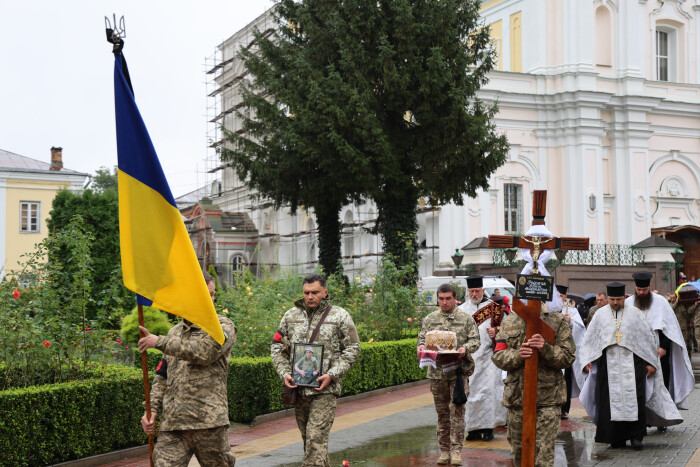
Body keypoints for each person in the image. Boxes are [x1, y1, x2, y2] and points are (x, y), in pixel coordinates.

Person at [138, 272, 237, 467]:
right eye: (204, 295)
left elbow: (205, 352)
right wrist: (152, 411)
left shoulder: (223, 326)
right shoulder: (174, 332)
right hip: (173, 424)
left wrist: (159, 342)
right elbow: (162, 376)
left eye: (212, 294)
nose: (210, 300)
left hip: (208, 424)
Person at [271, 273, 361, 467]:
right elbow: (276, 346)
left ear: (325, 292)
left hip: (325, 390)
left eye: (315, 292)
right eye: (306, 293)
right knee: (310, 443)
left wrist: (333, 374)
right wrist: (285, 372)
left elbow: (353, 348)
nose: (310, 297)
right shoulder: (290, 316)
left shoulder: (340, 316)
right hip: (299, 389)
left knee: (315, 440)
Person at [579, 282, 682, 451]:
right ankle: (615, 437)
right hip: (607, 363)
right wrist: (587, 360)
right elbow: (590, 339)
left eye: (618, 299)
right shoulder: (600, 315)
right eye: (612, 299)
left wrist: (651, 363)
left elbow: (647, 339)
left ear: (623, 298)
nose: (615, 303)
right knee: (608, 401)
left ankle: (636, 437)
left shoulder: (634, 313)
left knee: (636, 398)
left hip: (634, 363)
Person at [491, 298, 576, 466]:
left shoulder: (557, 320)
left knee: (543, 453)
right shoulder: (509, 322)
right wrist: (517, 355)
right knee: (519, 452)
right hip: (518, 398)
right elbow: (498, 356)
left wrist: (546, 349)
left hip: (548, 398)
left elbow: (568, 357)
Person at [417, 283, 480, 465]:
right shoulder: (430, 319)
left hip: (458, 373)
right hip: (437, 374)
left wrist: (464, 348)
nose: (444, 302)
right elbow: (421, 339)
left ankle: (456, 451)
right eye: (441, 299)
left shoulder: (465, 318)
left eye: (448, 299)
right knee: (442, 414)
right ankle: (444, 451)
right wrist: (421, 347)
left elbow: (475, 340)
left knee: (457, 412)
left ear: (455, 298)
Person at [626, 272, 694, 417]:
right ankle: (643, 418)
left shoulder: (661, 302)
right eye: (639, 290)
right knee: (639, 385)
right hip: (636, 351)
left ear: (650, 287)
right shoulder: (629, 303)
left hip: (659, 350)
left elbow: (670, 328)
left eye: (644, 290)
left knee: (661, 385)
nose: (642, 293)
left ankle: (662, 418)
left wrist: (664, 347)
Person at [458, 275, 508, 442]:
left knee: (489, 394)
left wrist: (497, 333)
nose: (474, 294)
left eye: (477, 291)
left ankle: (488, 429)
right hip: (469, 359)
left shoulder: (494, 309)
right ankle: (472, 430)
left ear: (483, 291)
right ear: (467, 292)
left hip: (488, 359)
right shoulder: (461, 311)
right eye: (471, 291)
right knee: (470, 395)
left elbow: (508, 331)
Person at [556, 284, 586, 420]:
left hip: (566, 351)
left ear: (565, 297)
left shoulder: (571, 310)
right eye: (556, 295)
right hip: (553, 350)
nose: (558, 298)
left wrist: (570, 322)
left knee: (565, 381)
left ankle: (564, 408)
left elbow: (580, 327)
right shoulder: (550, 308)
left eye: (561, 296)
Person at [671, 289, 699, 358]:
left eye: (674, 298)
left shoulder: (683, 304)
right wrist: (677, 302)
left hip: (687, 327)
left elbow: (689, 312)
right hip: (679, 328)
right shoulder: (671, 304)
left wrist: (694, 305)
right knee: (682, 346)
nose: (673, 299)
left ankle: (689, 361)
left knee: (689, 345)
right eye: (672, 298)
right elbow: (671, 309)